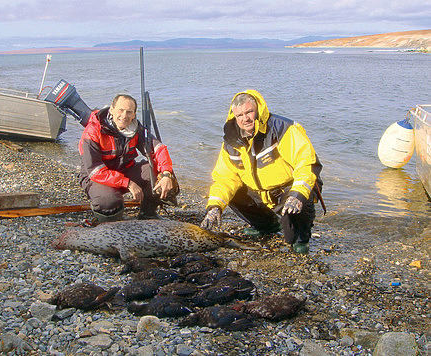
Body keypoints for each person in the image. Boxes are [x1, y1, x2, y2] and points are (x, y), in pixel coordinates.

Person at [200, 90, 323, 254]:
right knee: (231, 193)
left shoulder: (283, 128)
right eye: (240, 115)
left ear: (257, 109)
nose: (245, 119)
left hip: (288, 189)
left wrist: (298, 194)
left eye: (249, 112)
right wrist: (214, 207)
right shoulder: (231, 140)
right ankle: (267, 225)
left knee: (293, 233)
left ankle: (301, 238)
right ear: (234, 116)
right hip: (259, 192)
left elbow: (306, 163)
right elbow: (225, 178)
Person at [78, 94, 178, 223]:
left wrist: (166, 174)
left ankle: (148, 214)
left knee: (161, 174)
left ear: (134, 115)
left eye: (129, 112)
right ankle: (108, 224)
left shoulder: (136, 129)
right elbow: (95, 171)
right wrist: (128, 183)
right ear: (112, 110)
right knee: (110, 201)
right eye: (120, 110)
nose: (124, 116)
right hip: (96, 177)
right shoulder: (92, 131)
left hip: (124, 170)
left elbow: (159, 149)